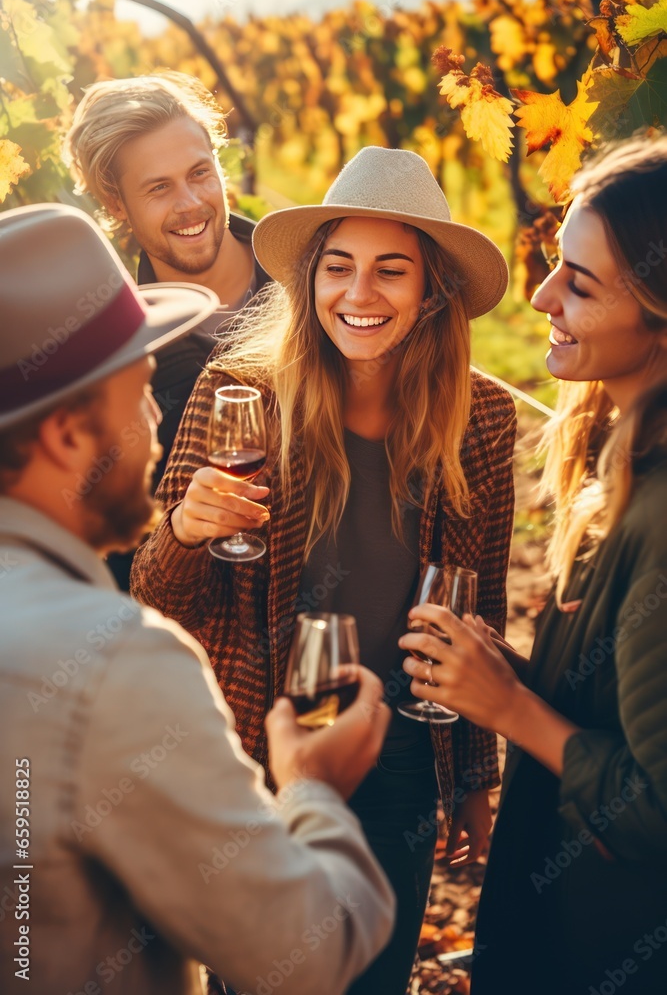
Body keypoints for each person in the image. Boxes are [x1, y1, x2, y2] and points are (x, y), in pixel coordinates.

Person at [131, 146, 518, 995]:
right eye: (337, 267)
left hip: (407, 746)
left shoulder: (481, 416)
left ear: (431, 292)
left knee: (373, 977)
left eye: (391, 271)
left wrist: (473, 777)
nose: (359, 294)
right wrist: (186, 530)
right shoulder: (239, 393)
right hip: (264, 747)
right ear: (309, 281)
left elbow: (479, 608)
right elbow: (156, 600)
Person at [0, 202, 395, 995]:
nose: (155, 422)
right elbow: (306, 952)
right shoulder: (116, 660)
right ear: (70, 435)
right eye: (140, 394)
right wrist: (313, 789)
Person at [399, 135, 667, 994]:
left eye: (579, 285)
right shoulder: (619, 457)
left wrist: (508, 706)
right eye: (557, 263)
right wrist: (514, 672)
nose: (543, 295)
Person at [64, 71, 271, 588]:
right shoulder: (115, 360)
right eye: (159, 188)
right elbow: (118, 556)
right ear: (117, 205)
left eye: (200, 173)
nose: (190, 203)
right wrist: (180, 530)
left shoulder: (316, 282)